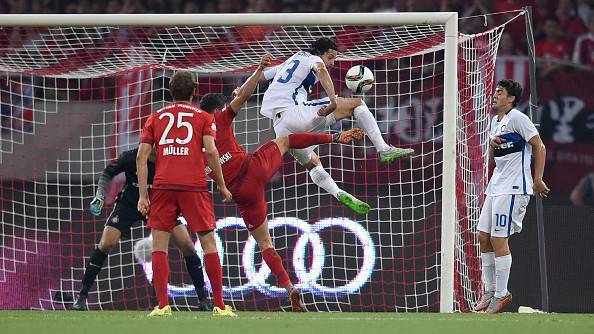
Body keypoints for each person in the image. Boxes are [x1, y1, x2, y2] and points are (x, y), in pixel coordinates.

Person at [200, 53, 364, 312]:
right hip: (253, 170)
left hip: (238, 193)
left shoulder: (191, 139)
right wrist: (259, 69)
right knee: (286, 140)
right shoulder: (219, 119)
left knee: (264, 244)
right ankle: (335, 138)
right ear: (216, 110)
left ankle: (289, 287)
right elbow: (242, 96)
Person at [259, 37, 414, 215]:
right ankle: (384, 148)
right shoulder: (314, 59)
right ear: (320, 52)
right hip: (293, 113)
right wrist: (333, 100)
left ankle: (339, 193)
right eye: (330, 57)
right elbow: (322, 69)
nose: (332, 62)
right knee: (357, 103)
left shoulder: (290, 60)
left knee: (313, 163)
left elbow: (260, 76)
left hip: (280, 128)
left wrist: (240, 91)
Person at [137, 71, 236, 318]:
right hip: (194, 185)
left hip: (163, 186)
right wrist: (222, 185)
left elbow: (141, 157)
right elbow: (212, 152)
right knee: (208, 243)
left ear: (170, 91)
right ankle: (220, 306)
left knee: (159, 245)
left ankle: (162, 306)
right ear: (194, 91)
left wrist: (142, 196)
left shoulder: (155, 117)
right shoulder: (203, 117)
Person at [71, 147, 211, 311]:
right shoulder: (131, 157)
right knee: (106, 243)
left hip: (160, 204)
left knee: (187, 245)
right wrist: (100, 194)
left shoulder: (170, 159)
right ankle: (81, 297)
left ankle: (203, 299)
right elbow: (107, 173)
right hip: (129, 204)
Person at [474, 79, 550, 314]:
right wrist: (491, 145)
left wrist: (538, 179)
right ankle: (490, 290)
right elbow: (495, 153)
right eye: (495, 91)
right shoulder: (494, 123)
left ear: (511, 99)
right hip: (495, 186)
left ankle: (501, 294)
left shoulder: (518, 118)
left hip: (514, 187)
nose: (495, 95)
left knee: (499, 240)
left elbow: (539, 146)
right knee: (483, 237)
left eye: (500, 92)